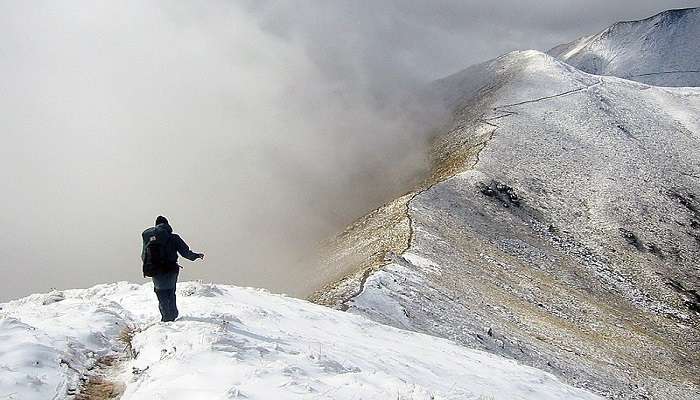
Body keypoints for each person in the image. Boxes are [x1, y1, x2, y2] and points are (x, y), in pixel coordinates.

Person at [141, 215, 204, 322]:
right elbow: (185, 253)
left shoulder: (149, 238)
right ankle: (172, 315)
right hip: (171, 269)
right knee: (170, 291)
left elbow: (143, 255)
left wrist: (151, 265)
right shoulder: (173, 237)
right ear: (167, 224)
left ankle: (166, 317)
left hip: (155, 270)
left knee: (160, 293)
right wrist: (196, 256)